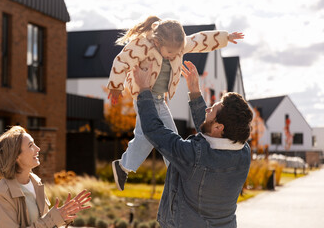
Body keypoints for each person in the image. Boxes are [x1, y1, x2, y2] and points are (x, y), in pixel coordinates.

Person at [108, 15, 244, 191]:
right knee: (149, 137)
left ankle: (172, 174)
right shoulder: (142, 45)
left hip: (159, 100)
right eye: (170, 53)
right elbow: (122, 60)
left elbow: (200, 40)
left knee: (169, 137)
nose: (174, 55)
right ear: (157, 43)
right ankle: (125, 167)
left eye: (177, 52)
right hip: (144, 98)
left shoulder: (178, 45)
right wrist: (115, 86)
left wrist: (225, 37)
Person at [132, 61, 253, 228]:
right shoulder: (243, 152)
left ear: (219, 127)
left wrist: (144, 89)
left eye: (212, 109)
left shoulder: (193, 156)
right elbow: (210, 135)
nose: (207, 109)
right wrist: (195, 93)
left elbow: (154, 130)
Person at [0, 126, 92, 228]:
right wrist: (54, 218)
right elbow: (47, 222)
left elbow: (44, 223)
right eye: (31, 145)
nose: (38, 148)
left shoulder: (36, 182)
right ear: (16, 156)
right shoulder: (3, 192)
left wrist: (64, 215)